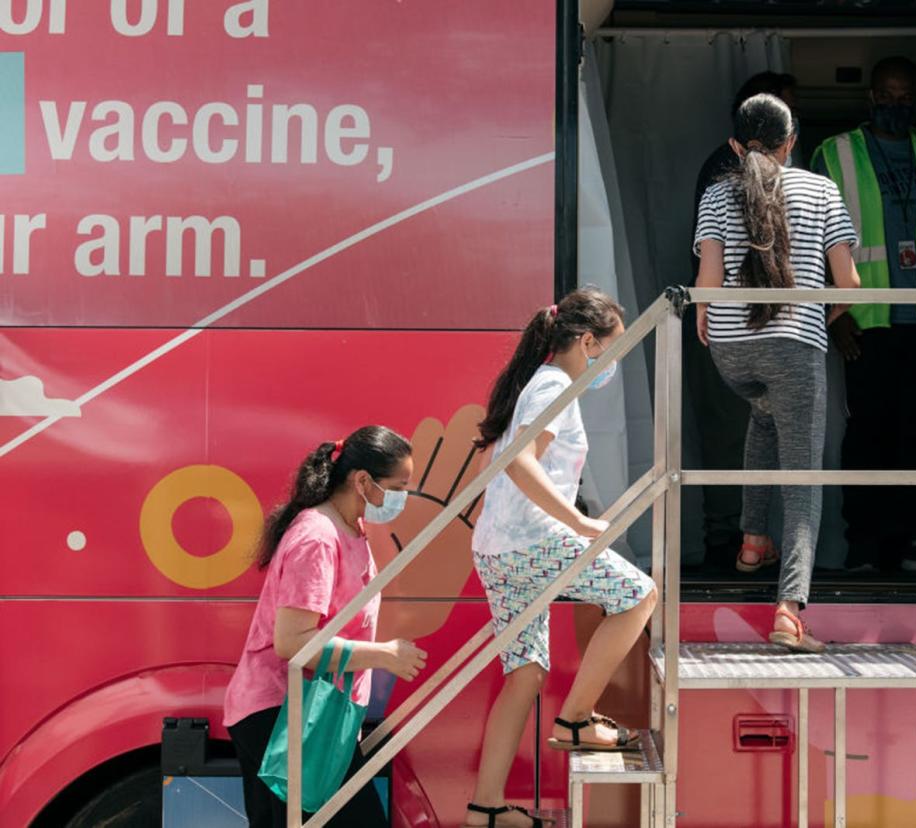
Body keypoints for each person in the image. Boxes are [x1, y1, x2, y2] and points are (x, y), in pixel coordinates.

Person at [465, 287, 658, 828]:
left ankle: (485, 807)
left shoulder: (536, 382)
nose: (610, 365)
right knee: (640, 595)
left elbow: (504, 460)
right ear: (588, 341)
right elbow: (521, 463)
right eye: (610, 352)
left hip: (501, 548)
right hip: (532, 540)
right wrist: (579, 522)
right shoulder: (555, 385)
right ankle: (574, 719)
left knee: (524, 675)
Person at [695, 93, 860, 652]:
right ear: (794, 142)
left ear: (736, 146)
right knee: (803, 481)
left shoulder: (718, 192)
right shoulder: (822, 190)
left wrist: (708, 317)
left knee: (763, 412)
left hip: (729, 352)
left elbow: (708, 285)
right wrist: (818, 314)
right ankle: (789, 610)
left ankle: (751, 538)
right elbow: (850, 284)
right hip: (793, 347)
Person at [224, 426, 429, 826]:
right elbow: (292, 642)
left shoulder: (349, 528)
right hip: (286, 714)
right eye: (398, 486)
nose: (403, 497)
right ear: (363, 481)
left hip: (314, 713)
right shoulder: (317, 537)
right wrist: (385, 655)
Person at [809, 56, 916, 574]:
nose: (896, 106)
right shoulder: (835, 153)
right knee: (868, 432)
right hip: (864, 322)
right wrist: (837, 313)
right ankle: (865, 544)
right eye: (886, 96)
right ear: (869, 98)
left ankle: (912, 539)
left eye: (905, 97)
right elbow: (814, 242)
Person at [687, 71, 798, 574]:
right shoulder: (738, 177)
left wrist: (706, 312)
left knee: (749, 431)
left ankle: (746, 541)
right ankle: (746, 546)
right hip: (773, 329)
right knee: (758, 436)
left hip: (726, 328)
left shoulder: (723, 174)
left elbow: (709, 270)